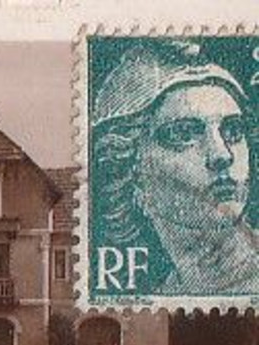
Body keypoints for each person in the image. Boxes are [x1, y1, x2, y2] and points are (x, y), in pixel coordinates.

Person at [92, 40, 259, 296]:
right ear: (130, 172)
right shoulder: (164, 295)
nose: (222, 155)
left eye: (233, 131)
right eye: (183, 133)